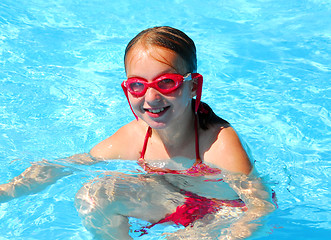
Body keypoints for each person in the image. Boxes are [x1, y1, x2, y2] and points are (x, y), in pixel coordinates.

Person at [0, 26, 276, 239]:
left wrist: (231, 233)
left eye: (167, 82)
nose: (151, 97)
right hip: (173, 202)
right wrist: (6, 191)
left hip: (224, 212)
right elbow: (66, 165)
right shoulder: (136, 137)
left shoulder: (218, 143)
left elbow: (260, 207)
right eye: (138, 86)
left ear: (193, 86)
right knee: (96, 193)